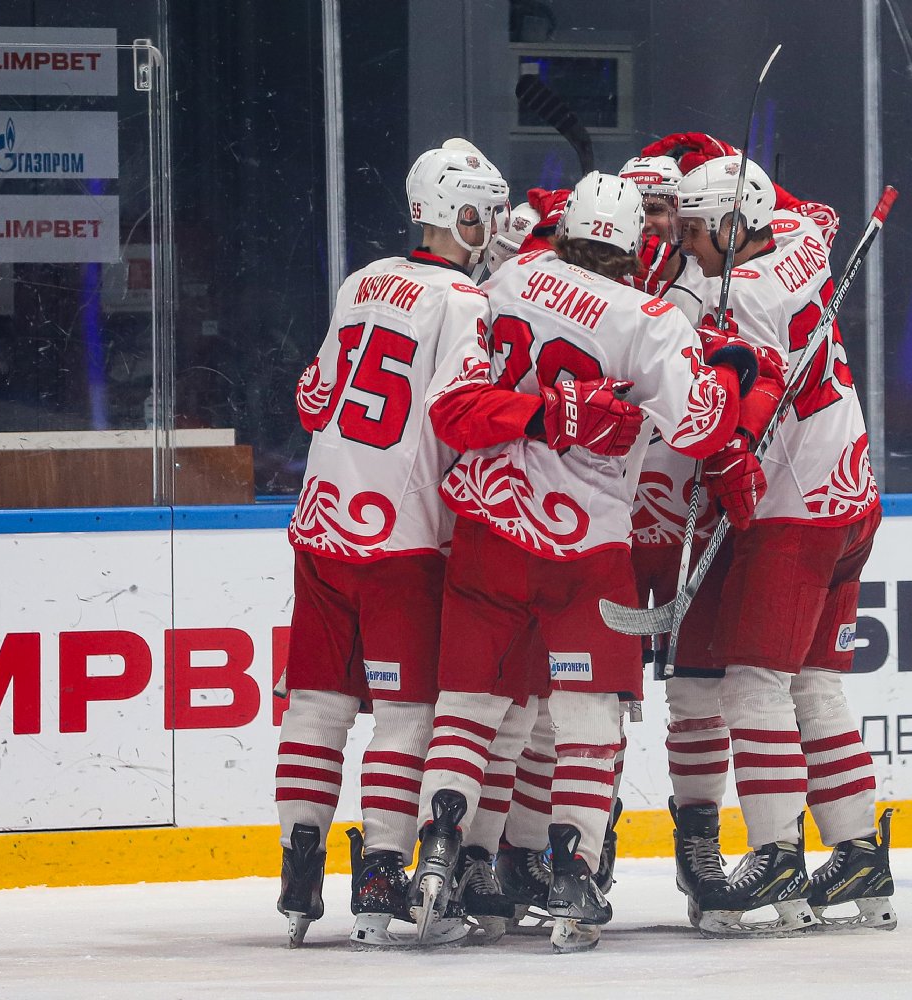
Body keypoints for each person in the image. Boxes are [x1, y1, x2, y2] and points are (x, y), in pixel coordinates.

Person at [272, 139, 646, 948]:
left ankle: (298, 869)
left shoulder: (360, 281)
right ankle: (380, 875)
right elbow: (460, 412)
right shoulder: (465, 303)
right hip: (406, 537)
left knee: (317, 702)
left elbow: (311, 399)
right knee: (409, 713)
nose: (494, 229)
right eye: (487, 214)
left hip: (320, 522)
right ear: (463, 213)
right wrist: (551, 411)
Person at [410, 170, 759, 953]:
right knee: (589, 716)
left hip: (488, 525)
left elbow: (457, 401)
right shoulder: (649, 317)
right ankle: (571, 869)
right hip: (587, 546)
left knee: (470, 704)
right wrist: (729, 368)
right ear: (635, 242)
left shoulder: (510, 277)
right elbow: (701, 429)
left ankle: (441, 849)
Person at [667, 151, 895, 936]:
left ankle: (776, 854)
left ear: (735, 227)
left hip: (795, 514)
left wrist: (731, 450)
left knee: (751, 686)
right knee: (816, 685)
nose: (687, 245)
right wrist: (717, 158)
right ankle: (861, 856)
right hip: (853, 497)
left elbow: (745, 394)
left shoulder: (735, 302)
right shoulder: (803, 239)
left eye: (696, 230)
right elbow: (812, 210)